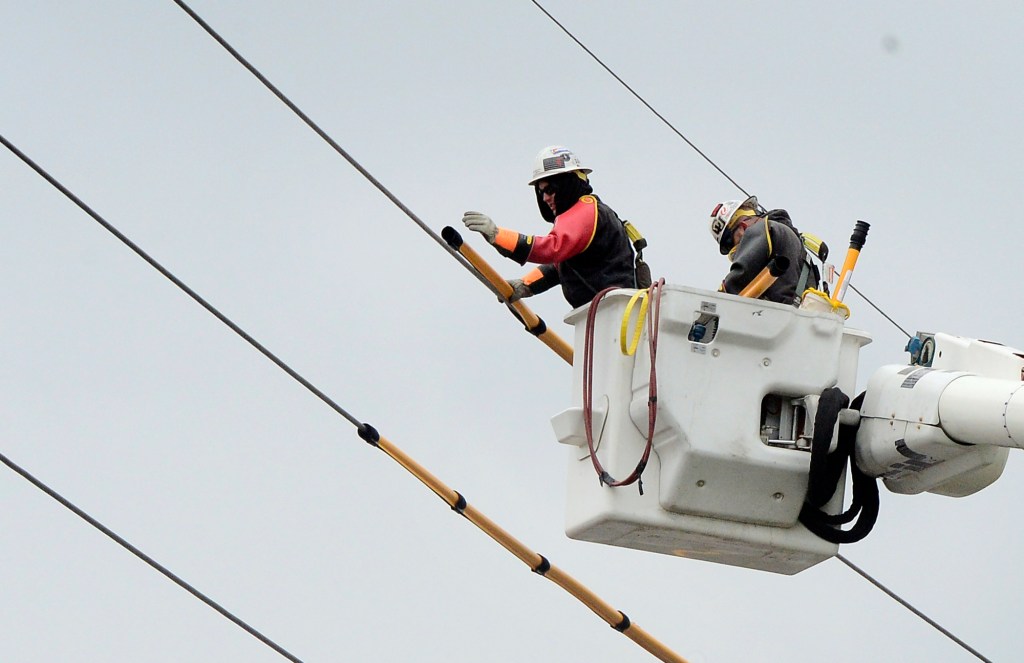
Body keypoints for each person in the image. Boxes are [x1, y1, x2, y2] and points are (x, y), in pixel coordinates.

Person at [462, 145, 637, 308]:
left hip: (614, 310)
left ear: (567, 185)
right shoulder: (589, 213)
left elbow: (551, 249)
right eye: (541, 192)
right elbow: (560, 266)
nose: (545, 198)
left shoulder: (585, 210)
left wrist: (497, 235)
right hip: (608, 310)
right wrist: (525, 285)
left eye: (550, 190)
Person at [709, 195, 806, 306]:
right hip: (798, 315)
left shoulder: (760, 229)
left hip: (779, 315)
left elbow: (742, 274)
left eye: (730, 242)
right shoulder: (790, 240)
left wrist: (718, 300)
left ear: (742, 228)